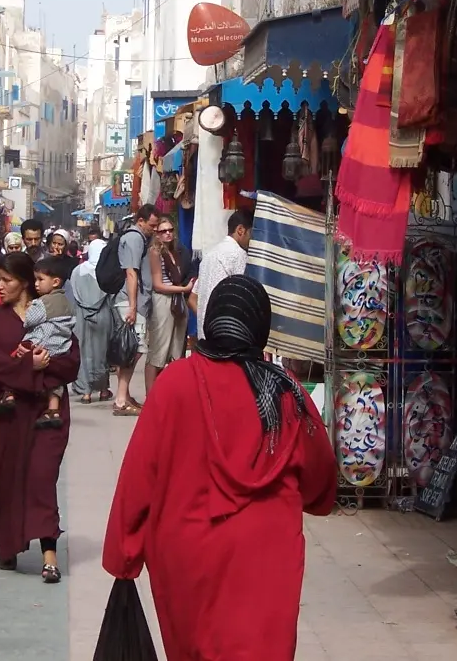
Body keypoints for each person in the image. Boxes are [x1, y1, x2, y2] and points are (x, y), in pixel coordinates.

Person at [103, 275, 336, 658]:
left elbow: (139, 475)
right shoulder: (284, 390)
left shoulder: (176, 382)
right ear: (261, 325)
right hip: (267, 556)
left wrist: (123, 555)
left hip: (186, 555)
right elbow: (321, 480)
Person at [0, 252, 80, 583]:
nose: (0, 286)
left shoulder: (52, 313)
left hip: (43, 413)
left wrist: (45, 366)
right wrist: (27, 366)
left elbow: (70, 360)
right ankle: (8, 544)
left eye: (7, 280)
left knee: (41, 477)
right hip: (5, 414)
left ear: (24, 281)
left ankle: (49, 554)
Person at [0, 256, 75, 430]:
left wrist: (30, 309)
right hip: (60, 347)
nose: (36, 283)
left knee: (18, 355)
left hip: (40, 344)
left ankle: (9, 393)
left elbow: (30, 320)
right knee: (55, 382)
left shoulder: (44, 302)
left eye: (40, 279)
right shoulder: (67, 302)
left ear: (55, 282)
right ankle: (53, 409)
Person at [112, 204, 159, 416]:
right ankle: (121, 400)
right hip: (130, 302)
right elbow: (131, 274)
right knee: (135, 349)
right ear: (141, 221)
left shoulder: (139, 238)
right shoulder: (134, 238)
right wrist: (132, 306)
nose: (154, 229)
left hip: (134, 302)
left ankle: (124, 394)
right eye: (152, 225)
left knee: (130, 348)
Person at [146, 216, 194, 395]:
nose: (167, 234)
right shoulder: (155, 252)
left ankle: (174, 393)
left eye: (170, 230)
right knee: (159, 349)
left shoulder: (176, 251)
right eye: (163, 231)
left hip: (177, 299)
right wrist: (183, 288)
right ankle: (151, 394)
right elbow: (158, 284)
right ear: (157, 235)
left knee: (177, 348)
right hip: (163, 299)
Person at [189, 207, 253, 336]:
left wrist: (206, 320)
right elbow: (242, 298)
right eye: (252, 233)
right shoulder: (238, 255)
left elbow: (192, 299)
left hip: (206, 335)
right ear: (241, 230)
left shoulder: (209, 255)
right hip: (225, 336)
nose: (253, 240)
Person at [69, 250, 112, 404]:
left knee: (84, 352)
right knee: (102, 353)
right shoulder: (106, 271)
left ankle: (86, 392)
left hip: (81, 316)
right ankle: (103, 390)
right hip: (103, 315)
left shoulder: (77, 271)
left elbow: (72, 293)